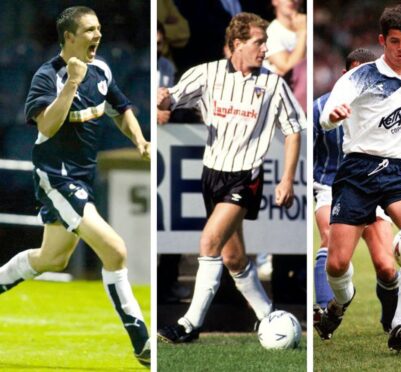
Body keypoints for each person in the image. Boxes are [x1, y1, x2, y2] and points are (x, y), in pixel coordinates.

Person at [0, 6, 151, 366]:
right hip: (56, 176)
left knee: (51, 258)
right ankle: (144, 344)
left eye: (99, 28)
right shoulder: (46, 76)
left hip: (81, 177)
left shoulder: (101, 70)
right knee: (115, 250)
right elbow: (46, 127)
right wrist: (70, 83)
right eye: (88, 30)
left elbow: (122, 107)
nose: (98, 35)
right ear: (69, 37)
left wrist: (140, 140)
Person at [315, 5, 401, 351]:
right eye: (394, 41)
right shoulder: (359, 77)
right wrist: (333, 116)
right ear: (382, 40)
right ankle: (339, 303)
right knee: (336, 264)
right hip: (358, 170)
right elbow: (329, 114)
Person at [156, 12, 305, 343]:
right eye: (259, 42)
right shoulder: (207, 74)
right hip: (211, 175)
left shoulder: (272, 84)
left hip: (245, 178)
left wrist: (287, 179)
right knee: (233, 257)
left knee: (209, 241)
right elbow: (173, 97)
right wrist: (161, 100)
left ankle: (189, 325)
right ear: (237, 44)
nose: (265, 49)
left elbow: (294, 130)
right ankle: (270, 316)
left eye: (265, 42)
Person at [313, 48, 399, 334]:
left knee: (387, 267)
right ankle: (328, 307)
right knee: (329, 239)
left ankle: (390, 320)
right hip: (329, 187)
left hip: (373, 188)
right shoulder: (319, 108)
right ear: (344, 76)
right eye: (356, 75)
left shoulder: (385, 107)